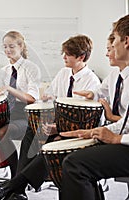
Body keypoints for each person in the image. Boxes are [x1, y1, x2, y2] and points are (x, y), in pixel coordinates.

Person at [0, 34, 101, 200]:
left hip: (77, 132)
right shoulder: (64, 74)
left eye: (68, 54)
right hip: (57, 125)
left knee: (51, 147)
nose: (63, 56)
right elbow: (49, 96)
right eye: (63, 52)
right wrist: (47, 100)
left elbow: (86, 120)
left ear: (81, 57)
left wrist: (59, 128)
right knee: (32, 131)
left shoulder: (91, 82)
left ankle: (15, 186)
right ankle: (18, 188)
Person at [59, 14, 129, 200]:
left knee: (75, 164)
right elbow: (126, 123)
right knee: (71, 152)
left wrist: (117, 138)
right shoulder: (119, 76)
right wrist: (95, 131)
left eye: (114, 43)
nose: (111, 49)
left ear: (126, 42)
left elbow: (124, 128)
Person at [0, 30, 41, 192]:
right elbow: (2, 95)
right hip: (7, 112)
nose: (7, 50)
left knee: (3, 133)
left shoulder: (32, 68)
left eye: (11, 46)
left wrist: (8, 88)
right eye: (5, 47)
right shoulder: (5, 70)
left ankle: (15, 180)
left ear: (20, 46)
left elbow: (31, 98)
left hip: (25, 114)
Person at [74, 32, 129, 123]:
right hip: (113, 127)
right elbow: (100, 92)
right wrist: (92, 94)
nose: (106, 54)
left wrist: (112, 117)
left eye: (109, 50)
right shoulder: (114, 75)